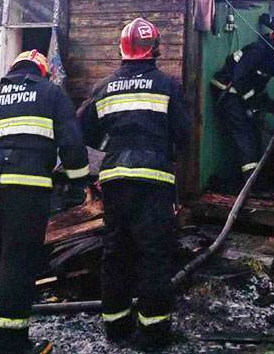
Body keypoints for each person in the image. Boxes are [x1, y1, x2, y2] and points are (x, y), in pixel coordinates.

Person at [0, 50, 89, 354]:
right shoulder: (51, 94)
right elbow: (72, 142)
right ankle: (10, 343)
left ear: (11, 71)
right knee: (17, 262)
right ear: (42, 73)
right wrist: (78, 185)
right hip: (28, 190)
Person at [78, 18, 190, 351]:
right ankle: (153, 335)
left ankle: (116, 328)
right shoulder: (168, 85)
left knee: (116, 253)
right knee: (152, 253)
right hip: (154, 179)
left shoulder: (104, 87)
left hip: (115, 180)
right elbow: (183, 134)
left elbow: (84, 133)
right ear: (155, 49)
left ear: (122, 49)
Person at [210, 13, 274, 192]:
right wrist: (252, 103)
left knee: (253, 134)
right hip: (227, 92)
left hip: (237, 94)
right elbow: (239, 78)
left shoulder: (270, 56)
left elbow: (255, 87)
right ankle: (251, 186)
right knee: (245, 134)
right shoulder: (260, 51)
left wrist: (272, 107)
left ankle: (252, 181)